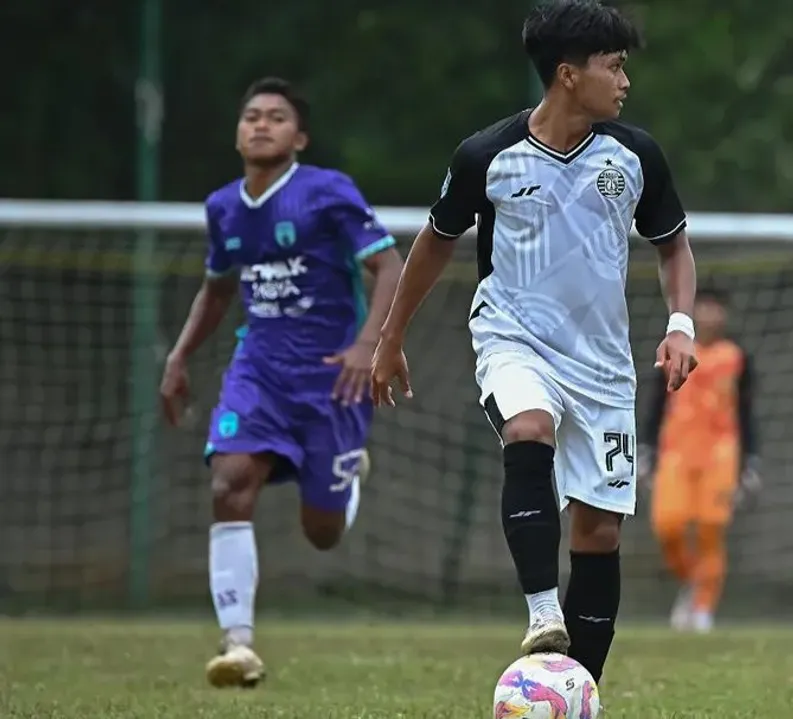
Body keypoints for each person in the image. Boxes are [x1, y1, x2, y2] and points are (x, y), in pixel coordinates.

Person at [369, 0, 697, 687]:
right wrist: (390, 335)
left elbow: (673, 246)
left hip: (603, 365)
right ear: (568, 74)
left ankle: (579, 690)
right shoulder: (486, 154)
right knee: (528, 426)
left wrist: (679, 324)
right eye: (615, 66)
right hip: (512, 337)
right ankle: (542, 610)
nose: (625, 81)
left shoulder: (635, 155)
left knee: (599, 532)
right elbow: (434, 243)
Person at [159, 77, 404, 688]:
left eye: (276, 117)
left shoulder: (327, 193)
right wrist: (180, 355)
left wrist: (367, 345)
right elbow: (218, 289)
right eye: (251, 116)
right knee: (229, 482)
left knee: (320, 533)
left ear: (300, 137)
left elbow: (389, 265)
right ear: (238, 132)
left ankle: (344, 488)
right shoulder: (223, 207)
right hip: (259, 371)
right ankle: (237, 644)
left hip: (332, 378)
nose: (260, 124)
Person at [638, 288, 761, 633]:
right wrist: (646, 451)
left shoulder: (737, 357)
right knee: (668, 525)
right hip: (675, 451)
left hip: (721, 453)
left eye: (715, 309)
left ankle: (704, 606)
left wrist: (751, 461)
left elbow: (747, 412)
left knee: (710, 528)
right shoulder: (674, 350)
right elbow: (655, 406)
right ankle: (692, 582)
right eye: (702, 309)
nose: (708, 316)